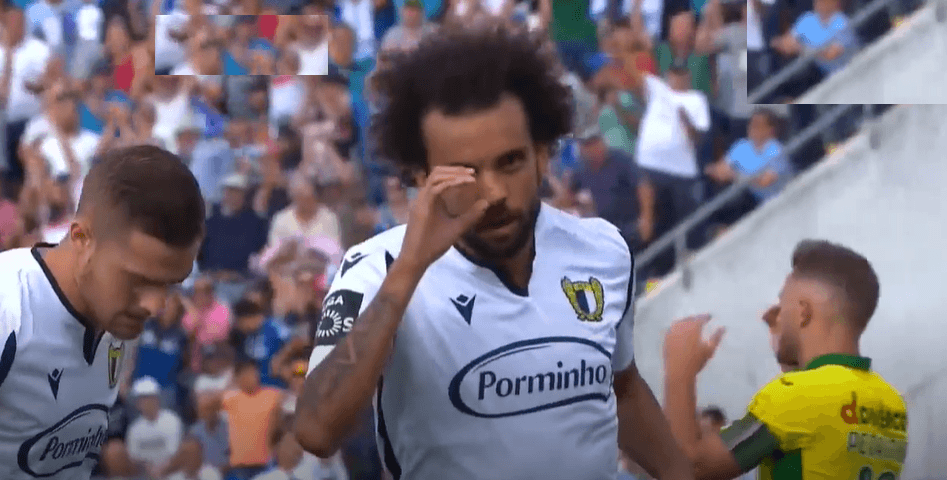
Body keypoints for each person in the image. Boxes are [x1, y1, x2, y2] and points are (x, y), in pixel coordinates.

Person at [294, 22, 693, 480]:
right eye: (465, 172)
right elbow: (316, 430)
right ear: (421, 176)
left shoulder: (604, 249)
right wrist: (409, 270)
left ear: (542, 154)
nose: (496, 192)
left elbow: (621, 388)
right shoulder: (375, 268)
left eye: (511, 162)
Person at [0, 144, 205, 479]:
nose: (156, 306)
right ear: (81, 238)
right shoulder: (8, 309)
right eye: (139, 280)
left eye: (171, 285)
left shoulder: (114, 321)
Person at [662, 239, 908, 479]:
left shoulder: (793, 397)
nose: (776, 314)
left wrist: (679, 372)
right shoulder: (892, 402)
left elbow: (691, 469)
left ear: (803, 312)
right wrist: (788, 347)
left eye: (782, 303)